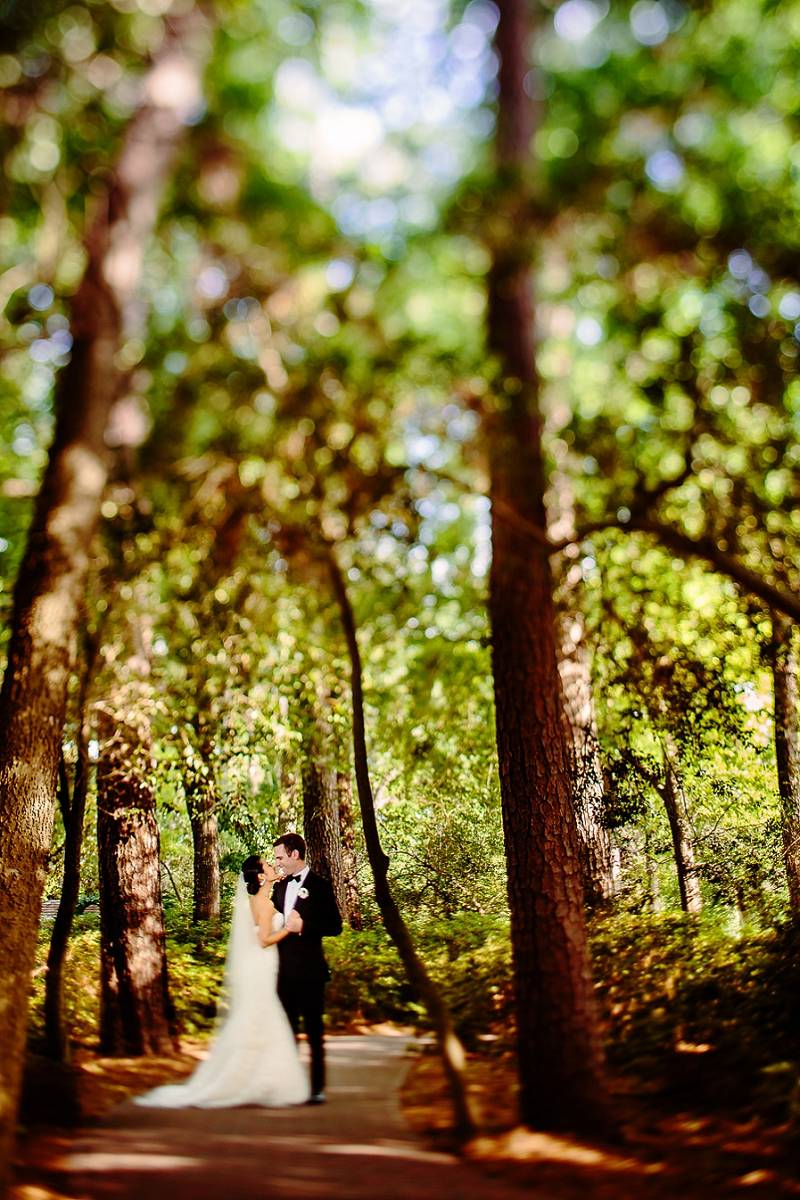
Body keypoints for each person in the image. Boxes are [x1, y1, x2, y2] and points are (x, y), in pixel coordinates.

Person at [134, 856, 309, 1108]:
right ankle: (255, 1079)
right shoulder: (264, 904)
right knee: (262, 1013)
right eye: (268, 866)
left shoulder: (253, 901)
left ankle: (253, 1076)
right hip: (262, 963)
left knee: (257, 1014)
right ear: (260, 876)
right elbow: (263, 940)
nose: (273, 866)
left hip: (259, 965)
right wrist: (289, 929)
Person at [272, 833, 342, 1104]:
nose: (278, 863)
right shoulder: (278, 888)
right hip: (282, 972)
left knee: (314, 1032)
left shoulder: (320, 886)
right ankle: (290, 1086)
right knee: (285, 1031)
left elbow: (335, 927)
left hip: (311, 971)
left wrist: (305, 927)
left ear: (295, 854)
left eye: (280, 857)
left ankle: (317, 1089)